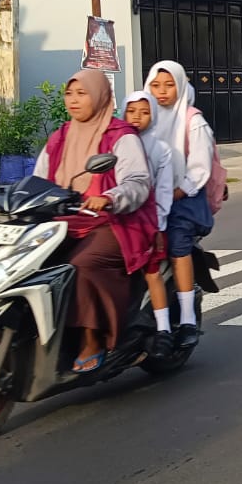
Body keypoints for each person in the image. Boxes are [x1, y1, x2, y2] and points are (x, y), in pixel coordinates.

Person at [32, 71, 156, 372]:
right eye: (69, 94)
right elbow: (37, 180)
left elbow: (139, 182)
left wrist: (110, 197)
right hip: (64, 221)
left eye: (82, 93)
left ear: (99, 96)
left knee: (80, 266)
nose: (73, 100)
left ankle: (93, 340)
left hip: (113, 222)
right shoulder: (60, 136)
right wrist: (5, 194)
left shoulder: (120, 135)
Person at [145, 60, 217, 350]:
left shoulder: (192, 120)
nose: (161, 92)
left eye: (169, 84)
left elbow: (199, 169)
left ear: (181, 86)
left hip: (183, 199)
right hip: (147, 199)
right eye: (155, 85)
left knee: (176, 245)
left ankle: (186, 320)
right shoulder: (144, 116)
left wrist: (174, 192)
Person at [123, 89, 177, 360]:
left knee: (151, 271)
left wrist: (158, 225)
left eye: (145, 113)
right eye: (131, 111)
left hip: (146, 218)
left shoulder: (160, 149)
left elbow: (164, 191)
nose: (137, 118)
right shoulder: (116, 142)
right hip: (119, 215)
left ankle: (164, 329)